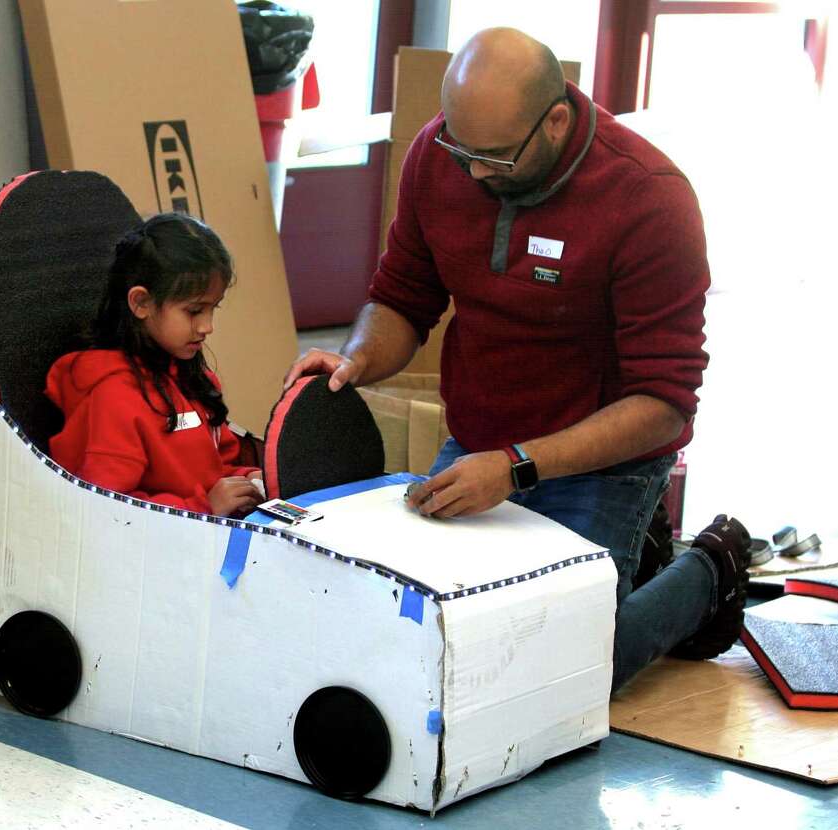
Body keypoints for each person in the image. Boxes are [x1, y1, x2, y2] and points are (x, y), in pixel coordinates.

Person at [284, 28, 752, 693]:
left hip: (602, 461)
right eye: (460, 147)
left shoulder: (649, 199)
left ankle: (710, 568)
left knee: (564, 674)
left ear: (556, 122)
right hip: (480, 443)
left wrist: (517, 467)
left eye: (495, 157)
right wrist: (355, 359)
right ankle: (633, 560)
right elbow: (402, 298)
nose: (473, 172)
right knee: (424, 638)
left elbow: (664, 404)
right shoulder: (439, 156)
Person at [46, 213, 263, 518]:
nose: (207, 326)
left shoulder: (194, 379)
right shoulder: (114, 398)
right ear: (141, 303)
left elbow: (216, 466)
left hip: (204, 533)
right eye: (194, 311)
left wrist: (248, 480)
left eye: (213, 308)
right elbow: (107, 511)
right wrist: (202, 508)